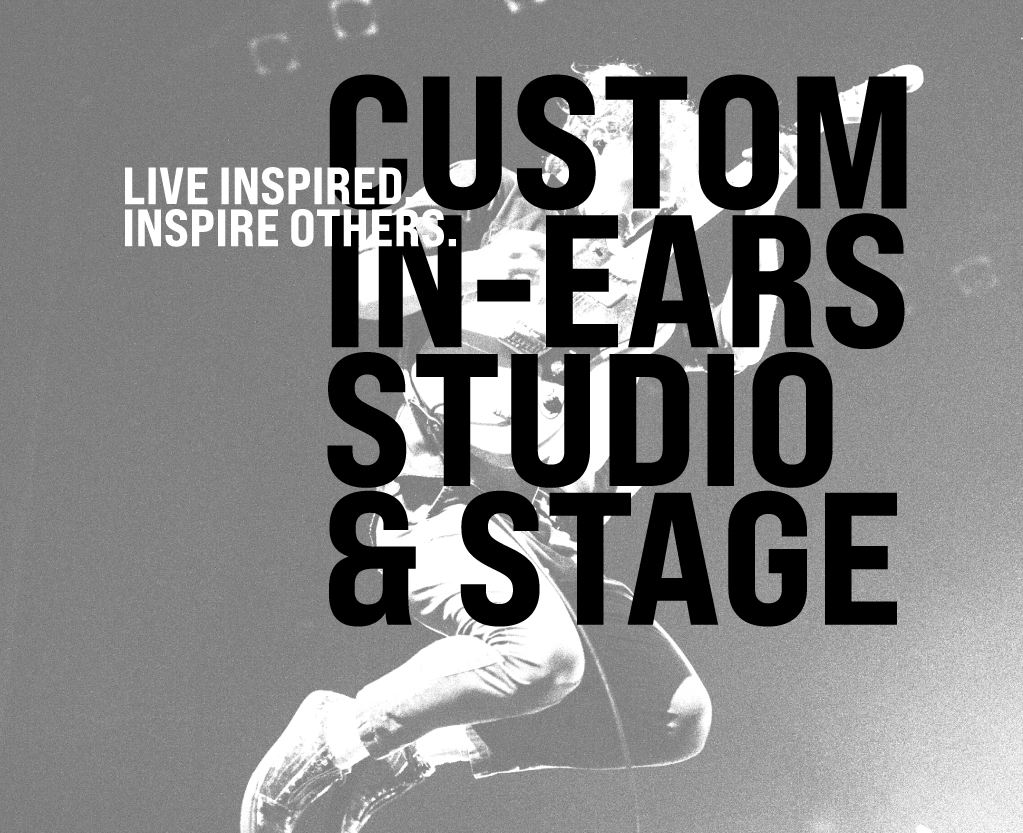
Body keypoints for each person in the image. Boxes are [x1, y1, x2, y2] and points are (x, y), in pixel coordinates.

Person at [241, 63, 799, 833]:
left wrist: (768, 203)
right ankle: (338, 736)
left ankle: (416, 754)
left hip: (541, 532)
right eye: (653, 172)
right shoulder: (488, 195)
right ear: (591, 148)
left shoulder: (640, 279)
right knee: (541, 661)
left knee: (672, 717)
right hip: (437, 509)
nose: (660, 199)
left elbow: (736, 349)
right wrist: (482, 269)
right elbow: (363, 287)